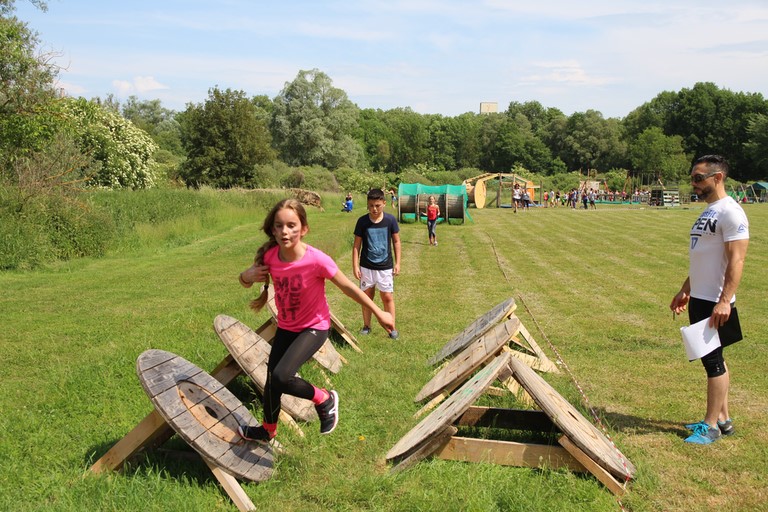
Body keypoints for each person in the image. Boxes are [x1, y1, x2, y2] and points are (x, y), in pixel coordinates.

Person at [237, 199, 395, 442]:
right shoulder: (271, 256)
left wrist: (378, 312)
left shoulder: (317, 260)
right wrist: (245, 276)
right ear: (272, 229)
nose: (284, 232)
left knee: (281, 377)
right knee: (272, 381)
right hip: (287, 327)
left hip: (314, 327)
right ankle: (267, 430)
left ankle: (325, 398)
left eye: (291, 225)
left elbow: (348, 288)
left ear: (304, 228)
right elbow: (246, 279)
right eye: (279, 226)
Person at [670, 155, 749, 445]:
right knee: (713, 359)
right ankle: (724, 420)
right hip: (700, 298)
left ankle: (711, 425)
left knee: (713, 362)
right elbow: (703, 257)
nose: (694, 184)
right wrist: (686, 288)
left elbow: (737, 260)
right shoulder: (709, 211)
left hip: (716, 301)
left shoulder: (731, 212)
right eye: (693, 178)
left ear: (718, 178)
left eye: (698, 178)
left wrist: (725, 300)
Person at [353, 189, 402, 339]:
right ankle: (367, 326)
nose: (374, 209)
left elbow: (396, 241)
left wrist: (398, 263)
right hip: (366, 266)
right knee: (367, 297)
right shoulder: (362, 221)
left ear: (384, 204)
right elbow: (356, 246)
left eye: (378, 205)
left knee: (387, 297)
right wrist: (355, 266)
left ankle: (391, 327)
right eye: (371, 205)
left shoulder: (390, 220)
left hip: (385, 267)